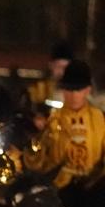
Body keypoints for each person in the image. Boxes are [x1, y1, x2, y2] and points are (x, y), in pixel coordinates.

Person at [25, 60, 105, 192]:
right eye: (69, 89)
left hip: (93, 191)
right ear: (63, 90)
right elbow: (36, 163)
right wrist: (36, 137)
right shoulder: (52, 119)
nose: (73, 95)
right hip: (58, 191)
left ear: (87, 90)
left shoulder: (99, 118)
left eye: (78, 89)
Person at [27, 41, 72, 109]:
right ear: (51, 65)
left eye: (66, 67)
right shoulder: (38, 90)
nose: (62, 71)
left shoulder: (79, 91)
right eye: (58, 66)